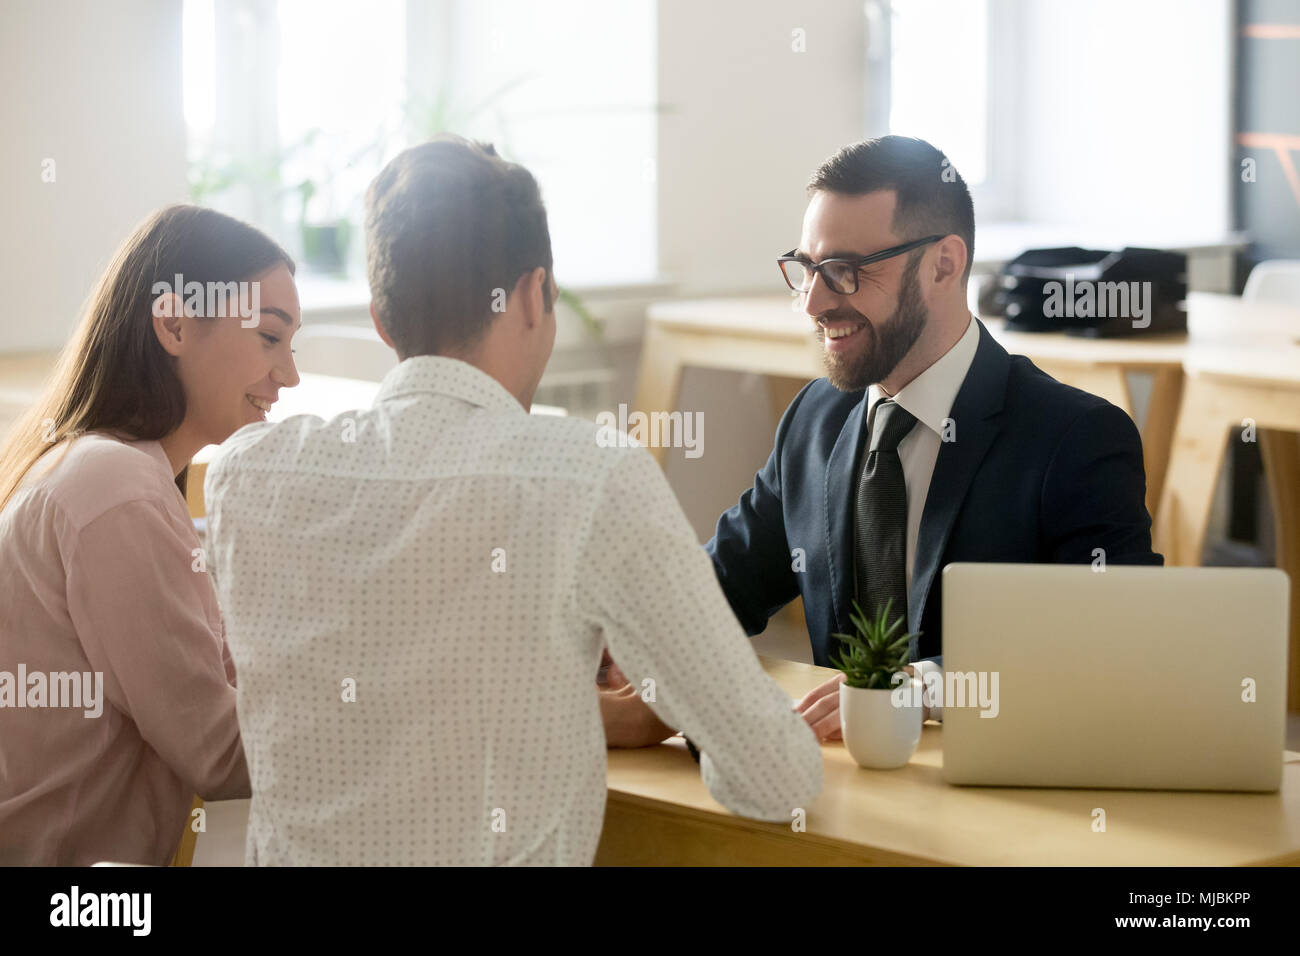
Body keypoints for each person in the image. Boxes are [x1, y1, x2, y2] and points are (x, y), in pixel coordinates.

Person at [203, 135, 822, 866]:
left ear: (381, 319)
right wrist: (649, 707)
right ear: (534, 296)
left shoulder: (245, 474)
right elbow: (776, 777)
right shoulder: (593, 479)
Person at [703, 136, 1162, 740]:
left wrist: (919, 690)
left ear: (943, 264)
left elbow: (1115, 638)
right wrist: (616, 652)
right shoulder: (815, 420)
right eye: (807, 269)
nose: (814, 302)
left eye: (845, 272)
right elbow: (717, 587)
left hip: (995, 792)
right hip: (836, 789)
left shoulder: (1075, 439)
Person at [0, 205, 300, 864]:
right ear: (174, 324)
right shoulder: (118, 493)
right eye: (270, 339)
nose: (290, 375)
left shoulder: (98, 467)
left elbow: (211, 674)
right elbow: (220, 754)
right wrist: (403, 696)